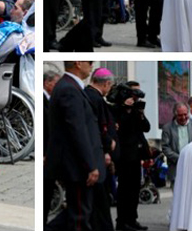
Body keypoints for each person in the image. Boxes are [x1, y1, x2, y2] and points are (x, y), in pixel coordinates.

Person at [45, 61, 105, 231]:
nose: (92, 66)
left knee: (77, 214)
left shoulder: (70, 87)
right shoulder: (68, 89)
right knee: (79, 219)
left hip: (77, 164)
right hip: (77, 166)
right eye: (90, 62)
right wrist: (90, 165)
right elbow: (77, 130)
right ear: (78, 64)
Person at [113, 80, 150, 231]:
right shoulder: (118, 108)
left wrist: (140, 114)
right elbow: (121, 129)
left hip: (136, 156)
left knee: (135, 189)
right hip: (124, 156)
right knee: (124, 190)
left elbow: (146, 128)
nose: (136, 96)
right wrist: (126, 109)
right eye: (134, 92)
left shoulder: (136, 108)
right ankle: (122, 222)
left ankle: (132, 219)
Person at [84, 68, 118, 231]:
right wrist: (106, 147)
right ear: (106, 83)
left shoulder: (89, 95)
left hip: (98, 155)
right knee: (100, 203)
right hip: (97, 156)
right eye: (110, 86)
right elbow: (98, 126)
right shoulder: (95, 98)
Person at [161, 102, 192, 187]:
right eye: (180, 115)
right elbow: (165, 147)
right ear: (175, 115)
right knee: (178, 198)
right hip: (176, 168)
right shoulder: (167, 128)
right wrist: (180, 158)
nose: (183, 117)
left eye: (185, 114)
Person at [43, 66, 61, 226]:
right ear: (47, 83)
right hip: (46, 154)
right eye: (56, 83)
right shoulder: (43, 100)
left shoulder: (49, 99)